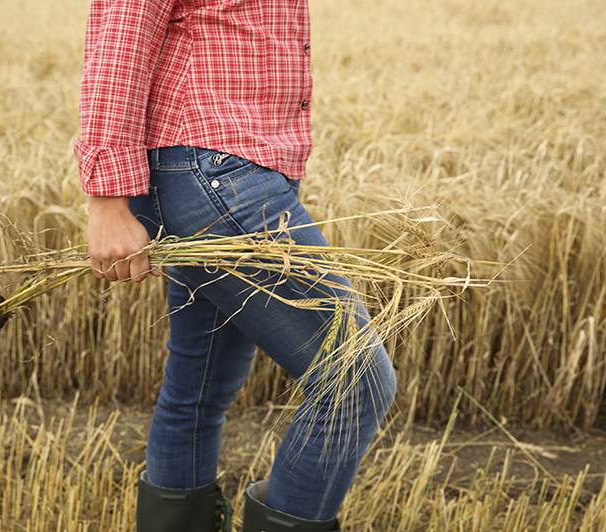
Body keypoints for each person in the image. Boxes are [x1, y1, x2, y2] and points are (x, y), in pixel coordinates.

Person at [75, 1, 397, 531]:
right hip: (216, 174)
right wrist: (107, 200)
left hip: (217, 173)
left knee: (197, 390)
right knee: (354, 377)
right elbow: (122, 34)